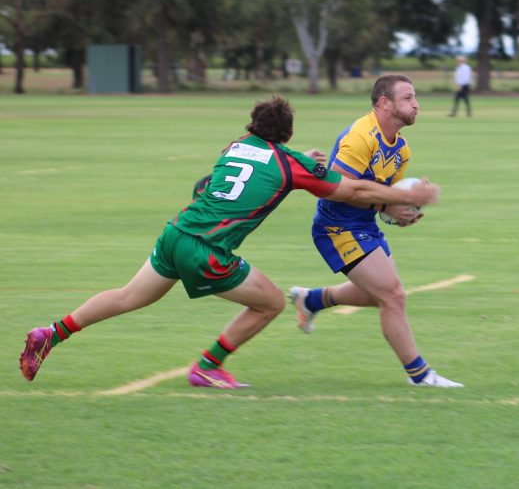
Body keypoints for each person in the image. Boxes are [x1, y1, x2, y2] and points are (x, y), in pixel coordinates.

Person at [18, 95, 441, 389]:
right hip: (207, 250)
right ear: (286, 135)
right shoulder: (288, 163)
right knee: (271, 302)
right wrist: (407, 196)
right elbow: (354, 191)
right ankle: (208, 367)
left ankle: (51, 333)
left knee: (128, 296)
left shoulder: (236, 146)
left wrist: (305, 162)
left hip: (174, 234)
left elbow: (214, 181)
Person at [288, 74, 464, 388]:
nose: (416, 104)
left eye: (415, 98)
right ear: (384, 102)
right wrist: (405, 197)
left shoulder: (402, 149)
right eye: (408, 98)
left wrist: (398, 212)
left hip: (363, 225)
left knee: (378, 296)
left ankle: (311, 300)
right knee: (393, 295)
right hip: (336, 227)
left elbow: (378, 196)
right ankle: (420, 375)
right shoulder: (360, 136)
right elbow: (337, 190)